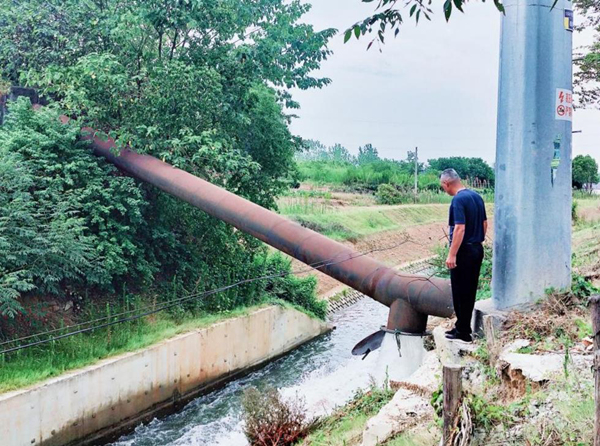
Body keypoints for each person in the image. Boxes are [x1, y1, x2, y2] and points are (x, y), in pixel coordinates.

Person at [440, 169, 487, 343]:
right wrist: (478, 241)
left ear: (447, 183)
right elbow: (484, 224)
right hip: (476, 249)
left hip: (464, 251)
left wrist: (452, 254)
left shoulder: (458, 200)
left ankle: (463, 331)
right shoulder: (476, 197)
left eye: (443, 186)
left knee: (460, 291)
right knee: (469, 290)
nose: (444, 189)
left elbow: (460, 228)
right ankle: (462, 327)